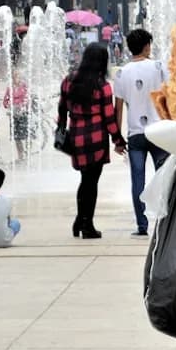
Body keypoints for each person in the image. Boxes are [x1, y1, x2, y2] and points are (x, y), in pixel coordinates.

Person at [58, 42, 126, 239]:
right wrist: (118, 140)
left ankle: (80, 220)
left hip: (77, 136)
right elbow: (108, 118)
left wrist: (61, 129)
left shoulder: (68, 80)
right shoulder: (102, 86)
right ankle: (87, 225)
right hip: (96, 137)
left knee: (84, 180)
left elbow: (62, 108)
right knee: (91, 183)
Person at [114, 29, 169, 237]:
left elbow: (118, 108)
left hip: (135, 134)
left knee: (137, 180)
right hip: (159, 132)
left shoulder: (121, 72)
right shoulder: (158, 67)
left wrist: (117, 138)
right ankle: (165, 222)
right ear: (147, 46)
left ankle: (142, 225)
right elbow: (170, 96)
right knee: (163, 177)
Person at [2, 70, 30, 162]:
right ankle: (20, 155)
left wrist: (23, 106)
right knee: (16, 136)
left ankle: (27, 153)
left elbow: (27, 98)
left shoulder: (24, 86)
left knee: (25, 135)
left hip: (22, 113)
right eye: (15, 76)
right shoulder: (10, 87)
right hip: (13, 113)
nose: (17, 78)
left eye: (18, 76)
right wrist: (8, 105)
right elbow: (5, 100)